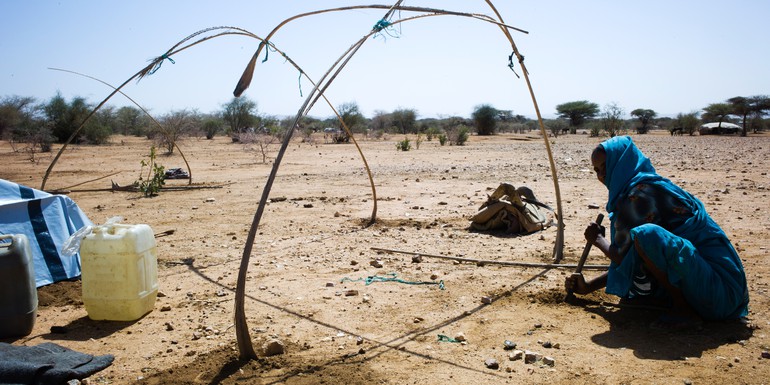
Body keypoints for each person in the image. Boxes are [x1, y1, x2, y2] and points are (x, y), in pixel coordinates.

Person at [565, 136, 749, 330]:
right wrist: (589, 287)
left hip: (718, 292)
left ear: (621, 163)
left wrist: (598, 239)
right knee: (645, 240)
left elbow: (622, 256)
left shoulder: (639, 195)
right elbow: (636, 258)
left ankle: (684, 311)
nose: (601, 175)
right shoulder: (647, 185)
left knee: (646, 236)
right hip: (727, 294)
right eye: (597, 170)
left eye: (605, 167)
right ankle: (677, 302)